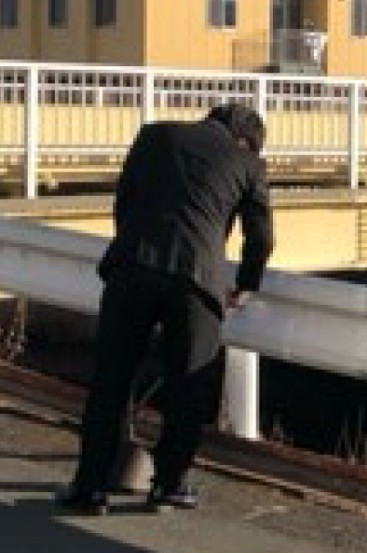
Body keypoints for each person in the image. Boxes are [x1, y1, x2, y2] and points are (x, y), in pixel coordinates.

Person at [55, 103, 274, 515]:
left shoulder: (154, 135)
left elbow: (125, 200)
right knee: (186, 386)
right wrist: (245, 286)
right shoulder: (248, 165)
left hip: (132, 268)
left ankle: (90, 488)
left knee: (111, 380)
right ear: (246, 141)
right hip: (197, 283)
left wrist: (135, 249)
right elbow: (260, 239)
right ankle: (169, 485)